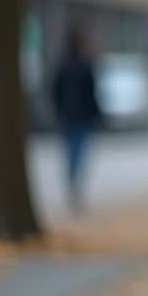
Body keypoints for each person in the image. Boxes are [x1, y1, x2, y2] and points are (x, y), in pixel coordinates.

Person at [50, 26, 102, 214]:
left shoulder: (63, 64)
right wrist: (97, 114)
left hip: (70, 116)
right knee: (78, 153)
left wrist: (59, 110)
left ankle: (72, 186)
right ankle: (74, 187)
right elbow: (93, 93)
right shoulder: (85, 65)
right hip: (81, 116)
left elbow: (54, 90)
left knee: (72, 153)